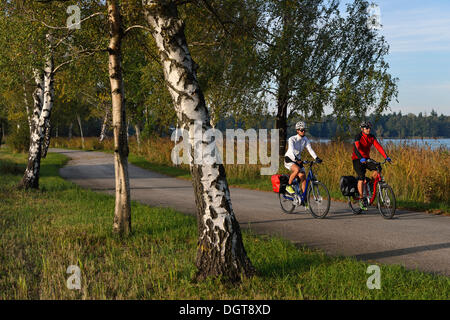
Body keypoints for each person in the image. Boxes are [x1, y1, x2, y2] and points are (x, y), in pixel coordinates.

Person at [352, 121, 391, 210]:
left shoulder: (371, 137)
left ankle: (370, 184)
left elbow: (378, 147)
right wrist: (361, 158)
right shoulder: (358, 136)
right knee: (361, 177)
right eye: (366, 128)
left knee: (378, 167)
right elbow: (357, 148)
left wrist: (386, 157)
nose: (369, 129)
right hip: (357, 159)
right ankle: (361, 199)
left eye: (369, 128)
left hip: (366, 159)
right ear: (362, 129)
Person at [284, 121, 322, 195]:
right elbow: (291, 150)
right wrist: (297, 159)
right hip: (289, 159)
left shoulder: (305, 139)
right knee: (297, 169)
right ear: (297, 130)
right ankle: (288, 186)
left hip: (298, 160)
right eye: (302, 130)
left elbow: (310, 149)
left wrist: (316, 158)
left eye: (304, 130)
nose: (303, 131)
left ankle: (304, 199)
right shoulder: (292, 139)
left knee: (303, 178)